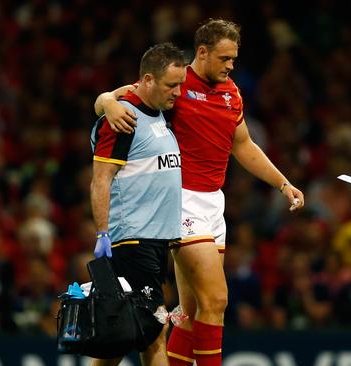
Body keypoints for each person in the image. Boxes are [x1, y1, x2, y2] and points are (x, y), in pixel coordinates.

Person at [95, 19, 304, 366]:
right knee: (217, 300)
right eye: (224, 58)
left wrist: (283, 183)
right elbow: (114, 98)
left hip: (212, 203)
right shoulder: (175, 84)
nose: (230, 66)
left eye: (233, 59)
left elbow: (244, 144)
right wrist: (107, 101)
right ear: (202, 52)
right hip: (180, 201)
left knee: (189, 310)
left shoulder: (231, 92)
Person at [89, 42, 186, 366]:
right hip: (133, 240)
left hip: (155, 242)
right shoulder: (122, 121)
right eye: (172, 85)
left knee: (119, 338)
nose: (178, 92)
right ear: (147, 80)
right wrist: (103, 233)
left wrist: (105, 100)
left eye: (181, 85)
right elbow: (101, 178)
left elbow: (109, 98)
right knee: (155, 331)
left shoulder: (155, 112)